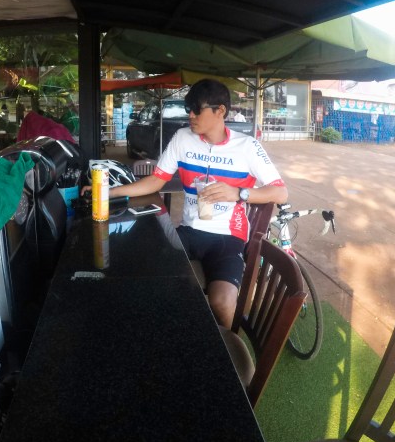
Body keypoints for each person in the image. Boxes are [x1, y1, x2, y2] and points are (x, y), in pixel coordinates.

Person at [108, 79, 287, 328]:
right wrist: (109, 192)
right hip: (189, 231)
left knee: (222, 302)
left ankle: (226, 345)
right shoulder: (183, 138)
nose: (190, 115)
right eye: (187, 109)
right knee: (149, 274)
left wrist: (239, 193)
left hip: (228, 237)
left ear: (220, 110)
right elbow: (156, 181)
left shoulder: (247, 146)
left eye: (196, 109)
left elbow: (281, 192)